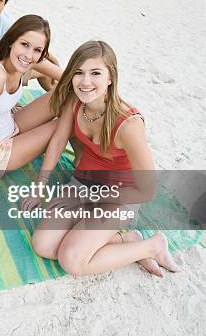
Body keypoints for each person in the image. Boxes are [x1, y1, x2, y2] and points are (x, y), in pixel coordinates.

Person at [28, 40, 180, 277]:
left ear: (111, 77)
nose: (85, 82)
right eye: (78, 73)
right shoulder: (76, 100)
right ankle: (127, 240)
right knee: (44, 245)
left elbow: (148, 190)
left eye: (95, 73)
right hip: (82, 185)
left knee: (72, 261)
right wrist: (39, 187)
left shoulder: (129, 125)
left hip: (119, 197)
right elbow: (58, 142)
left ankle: (152, 246)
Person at [0, 15, 62, 213]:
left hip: (11, 126)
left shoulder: (26, 62)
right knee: (63, 123)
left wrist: (115, 99)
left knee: (67, 94)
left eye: (37, 50)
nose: (29, 54)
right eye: (25, 45)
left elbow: (71, 78)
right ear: (11, 41)